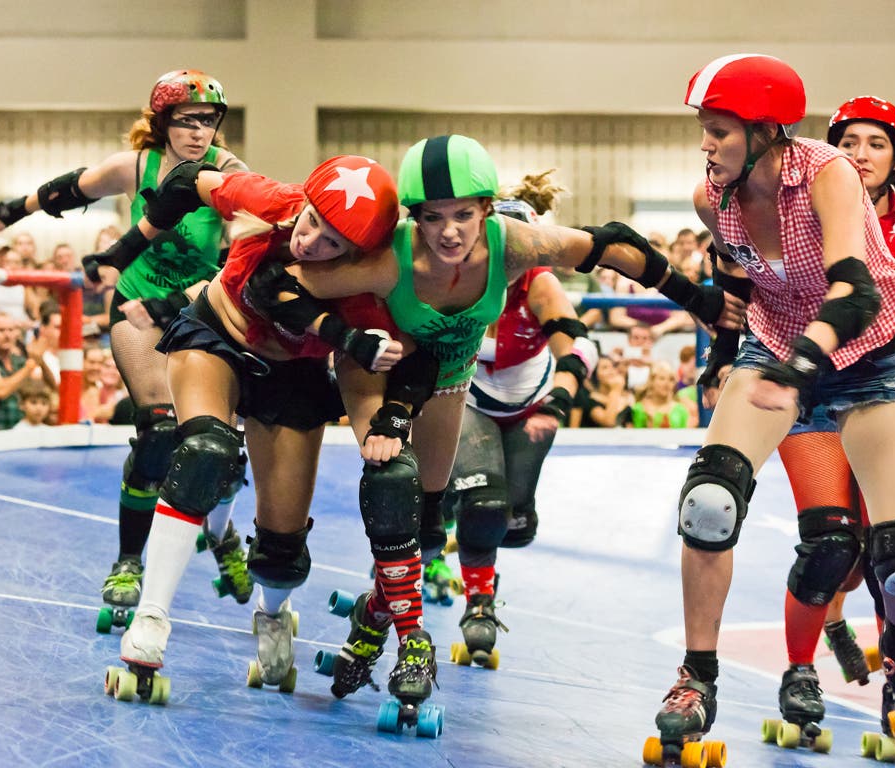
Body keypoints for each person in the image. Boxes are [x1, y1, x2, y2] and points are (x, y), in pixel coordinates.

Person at [289, 134, 744, 714]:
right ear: (414, 217)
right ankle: (413, 645)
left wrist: (696, 300)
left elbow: (613, 243)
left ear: (487, 210)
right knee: (389, 482)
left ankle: (371, 619)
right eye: (433, 218)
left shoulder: (515, 246)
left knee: (429, 529)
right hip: (379, 369)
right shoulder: (389, 258)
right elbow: (277, 287)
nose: (449, 232)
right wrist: (334, 337)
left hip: (449, 378)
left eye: (463, 216)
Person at [653, 55, 895, 753]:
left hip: (868, 357)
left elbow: (858, 290)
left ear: (765, 130)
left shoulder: (826, 173)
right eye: (703, 129)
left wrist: (800, 367)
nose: (705, 145)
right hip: (776, 350)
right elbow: (741, 281)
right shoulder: (711, 198)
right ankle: (697, 675)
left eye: (718, 130)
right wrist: (729, 356)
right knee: (709, 504)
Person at [102, 154, 409, 705]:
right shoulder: (272, 200)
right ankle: (151, 617)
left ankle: (273, 614)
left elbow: (372, 381)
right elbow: (186, 180)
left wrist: (381, 430)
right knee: (202, 452)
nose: (309, 241)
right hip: (216, 335)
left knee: (281, 549)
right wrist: (127, 249)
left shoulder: (368, 300)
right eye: (311, 219)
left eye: (331, 243)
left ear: (357, 255)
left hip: (292, 377)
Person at [742, 94, 895, 736]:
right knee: (830, 545)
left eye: (875, 143)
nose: (859, 155)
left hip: (886, 385)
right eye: (847, 143)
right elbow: (748, 289)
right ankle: (800, 669)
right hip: (813, 389)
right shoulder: (801, 217)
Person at [0, 69, 255, 618]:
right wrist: (13, 209)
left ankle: (222, 536)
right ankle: (128, 560)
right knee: (157, 432)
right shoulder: (139, 166)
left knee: (223, 452)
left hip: (202, 309)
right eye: (185, 121)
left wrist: (173, 302)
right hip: (135, 305)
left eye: (208, 121)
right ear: (162, 123)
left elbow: (237, 264)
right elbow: (74, 185)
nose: (198, 132)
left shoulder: (230, 175)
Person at [436, 188, 599, 667]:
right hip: (470, 397)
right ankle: (479, 604)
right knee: (484, 503)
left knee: (514, 525)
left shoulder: (540, 284)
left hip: (533, 403)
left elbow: (581, 346)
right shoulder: (454, 279)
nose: (505, 267)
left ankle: (453, 501)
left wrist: (563, 399)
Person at [0, 312, 55, 431]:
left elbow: (49, 387)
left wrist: (40, 359)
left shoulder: (19, 361)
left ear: (17, 333)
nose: (7, 335)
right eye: (1, 330)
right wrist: (31, 364)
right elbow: (0, 391)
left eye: (11, 330)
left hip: (19, 434)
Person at [569, 354, 634, 428]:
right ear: (595, 374)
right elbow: (608, 422)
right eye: (605, 368)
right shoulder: (588, 398)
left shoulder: (622, 399)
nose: (611, 371)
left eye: (613, 367)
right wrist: (616, 390)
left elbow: (630, 428)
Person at [629, 360, 696, 428]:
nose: (666, 384)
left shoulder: (681, 410)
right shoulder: (638, 409)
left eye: (671, 379)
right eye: (662, 379)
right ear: (652, 381)